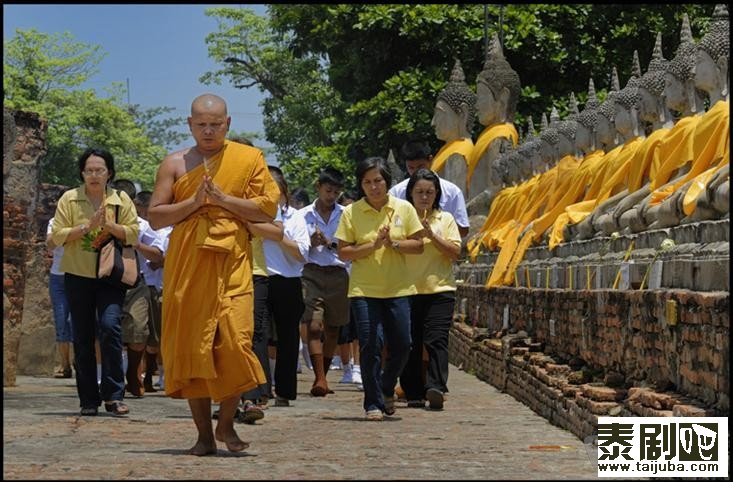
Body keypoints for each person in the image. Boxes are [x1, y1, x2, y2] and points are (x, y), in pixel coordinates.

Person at [148, 93, 280, 455]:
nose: (208, 130)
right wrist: (193, 204)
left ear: (228, 124)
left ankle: (226, 425)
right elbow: (156, 216)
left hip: (233, 261)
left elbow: (267, 209)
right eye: (201, 124)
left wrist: (223, 200)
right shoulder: (174, 163)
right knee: (195, 346)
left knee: (237, 342)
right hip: (188, 265)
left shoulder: (248, 159)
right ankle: (204, 435)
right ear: (189, 124)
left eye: (215, 124)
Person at [50, 147, 140, 417]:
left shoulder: (120, 199)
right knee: (82, 336)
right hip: (77, 275)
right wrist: (87, 227)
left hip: (109, 275)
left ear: (109, 173)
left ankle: (113, 395)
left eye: (99, 170)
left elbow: (134, 234)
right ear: (82, 173)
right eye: (89, 170)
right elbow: (56, 236)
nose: (94, 175)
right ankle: (88, 399)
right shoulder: (70, 198)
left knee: (110, 327)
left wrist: (111, 226)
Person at [335, 156, 424, 421]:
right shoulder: (351, 212)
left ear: (387, 182)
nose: (374, 187)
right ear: (361, 185)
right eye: (367, 182)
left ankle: (386, 386)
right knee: (370, 344)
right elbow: (343, 252)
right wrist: (372, 246)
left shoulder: (404, 208)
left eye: (378, 181)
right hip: (364, 289)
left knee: (403, 344)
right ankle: (372, 403)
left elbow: (418, 244)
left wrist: (393, 244)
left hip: (398, 287)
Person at [401, 168, 461, 410]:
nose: (424, 197)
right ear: (411, 194)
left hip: (440, 289)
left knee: (436, 339)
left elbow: (455, 252)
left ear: (436, 194)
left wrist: (432, 235)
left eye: (429, 192)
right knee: (409, 342)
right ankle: (412, 390)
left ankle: (436, 387)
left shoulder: (445, 219)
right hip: (407, 288)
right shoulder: (402, 218)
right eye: (419, 192)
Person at [261, 166, 310, 407]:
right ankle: (259, 389)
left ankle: (285, 390)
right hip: (259, 279)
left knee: (288, 338)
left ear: (284, 192)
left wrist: (277, 234)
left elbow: (301, 254)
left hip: (288, 281)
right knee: (257, 336)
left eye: (274, 191)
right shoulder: (252, 214)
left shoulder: (296, 217)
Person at [299, 166, 350, 396]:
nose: (331, 196)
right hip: (311, 273)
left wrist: (330, 242)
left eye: (335, 192)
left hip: (338, 274)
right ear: (318, 188)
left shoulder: (346, 214)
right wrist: (310, 242)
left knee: (333, 329)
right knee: (314, 325)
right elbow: (297, 246)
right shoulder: (303, 216)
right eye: (328, 190)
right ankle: (319, 378)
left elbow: (350, 245)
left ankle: (324, 377)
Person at [389, 140, 470, 239]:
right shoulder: (396, 192)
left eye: (420, 166)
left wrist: (437, 232)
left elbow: (463, 229)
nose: (416, 172)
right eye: (411, 168)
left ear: (430, 160)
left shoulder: (452, 192)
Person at [46, 217, 74, 379]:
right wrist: (71, 233)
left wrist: (64, 235)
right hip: (58, 276)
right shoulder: (55, 221)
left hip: (78, 274)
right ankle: (65, 365)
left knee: (77, 321)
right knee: (61, 320)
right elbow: (50, 243)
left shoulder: (82, 219)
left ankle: (80, 361)